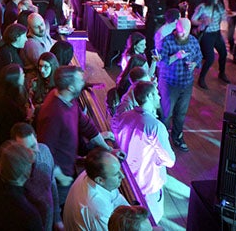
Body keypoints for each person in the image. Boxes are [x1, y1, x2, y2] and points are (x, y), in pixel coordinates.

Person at [36, 66, 115, 206]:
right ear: (70, 88)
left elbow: (86, 126)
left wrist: (107, 149)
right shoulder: (53, 114)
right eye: (80, 80)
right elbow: (44, 153)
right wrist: (61, 177)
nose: (83, 82)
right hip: (61, 179)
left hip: (69, 168)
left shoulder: (68, 99)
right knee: (62, 208)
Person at [112, 82, 175, 224]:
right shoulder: (155, 126)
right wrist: (158, 159)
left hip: (127, 181)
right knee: (150, 223)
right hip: (148, 187)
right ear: (149, 96)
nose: (159, 96)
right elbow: (170, 161)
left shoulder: (125, 116)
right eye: (156, 93)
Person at [157, 18, 203, 151]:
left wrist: (194, 64)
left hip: (186, 83)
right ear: (176, 28)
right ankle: (162, 140)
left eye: (185, 33)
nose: (182, 35)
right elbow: (160, 62)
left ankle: (177, 137)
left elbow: (199, 57)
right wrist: (176, 56)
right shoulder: (167, 41)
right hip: (169, 83)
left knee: (181, 114)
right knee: (166, 114)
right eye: (180, 32)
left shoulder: (193, 41)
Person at [63, 148, 129, 231]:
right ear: (100, 180)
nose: (123, 176)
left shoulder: (94, 172)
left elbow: (116, 198)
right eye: (116, 174)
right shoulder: (98, 210)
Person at [11, 122, 62, 231]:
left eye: (33, 146)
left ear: (37, 139)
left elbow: (53, 186)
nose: (31, 153)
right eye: (25, 149)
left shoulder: (45, 152)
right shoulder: (12, 171)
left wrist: (57, 218)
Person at [191, 0, 229, 88]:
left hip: (216, 33)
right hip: (207, 35)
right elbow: (193, 20)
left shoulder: (219, 6)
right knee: (210, 58)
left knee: (223, 53)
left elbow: (224, 17)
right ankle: (201, 78)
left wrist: (226, 15)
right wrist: (202, 22)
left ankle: (222, 73)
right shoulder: (202, 7)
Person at [0, 64, 30, 156]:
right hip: (8, 144)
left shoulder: (3, 93)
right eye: (21, 74)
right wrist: (28, 116)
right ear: (14, 80)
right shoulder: (6, 103)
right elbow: (16, 125)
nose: (24, 75)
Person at [22, 13, 56, 80]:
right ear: (29, 28)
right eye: (36, 27)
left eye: (42, 24)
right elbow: (44, 66)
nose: (41, 28)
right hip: (37, 79)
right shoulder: (31, 44)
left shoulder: (42, 33)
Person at [29, 52, 59, 118]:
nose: (42, 70)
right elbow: (29, 102)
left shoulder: (58, 85)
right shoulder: (35, 82)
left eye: (46, 66)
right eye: (40, 66)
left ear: (53, 66)